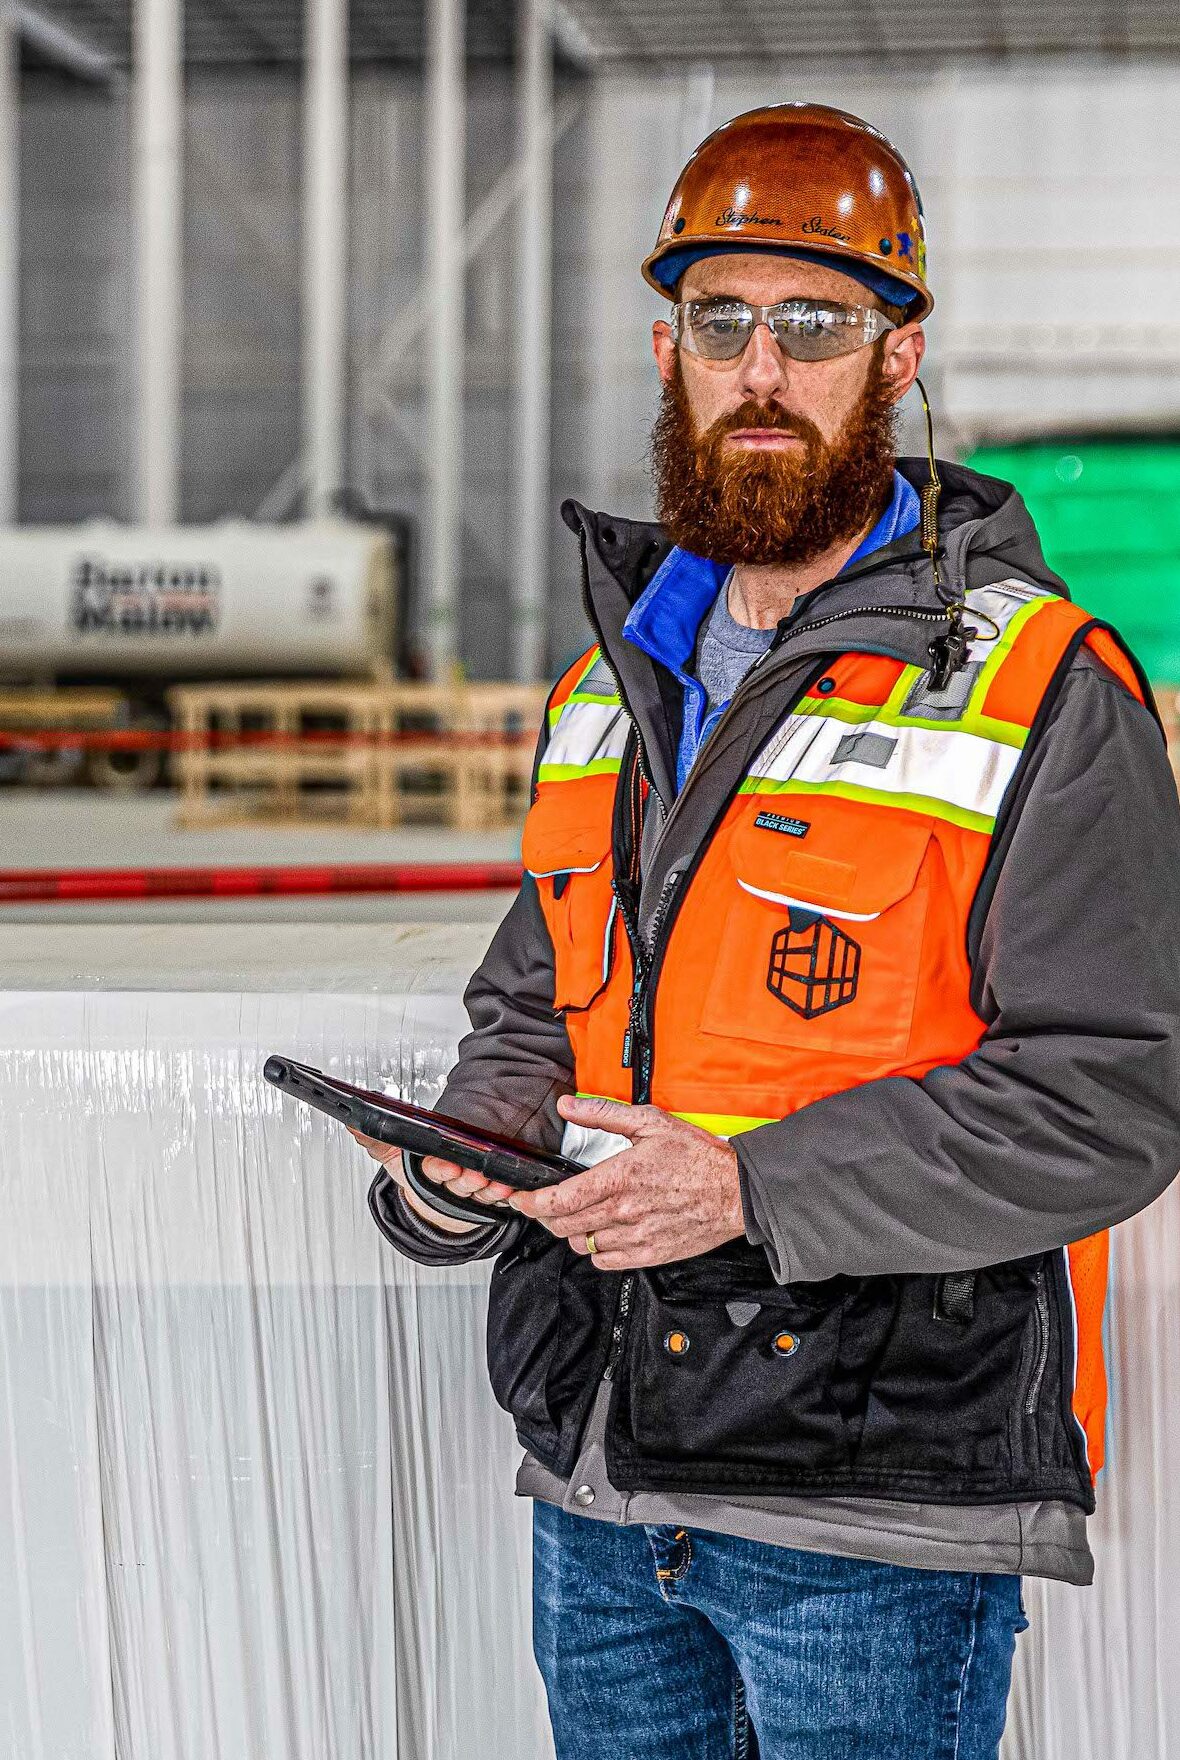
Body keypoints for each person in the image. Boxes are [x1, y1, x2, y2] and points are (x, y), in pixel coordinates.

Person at [351, 104, 1180, 1758]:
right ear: (668, 349)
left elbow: (1111, 1097)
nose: (761, 369)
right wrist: (471, 1151)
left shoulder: (1039, 692)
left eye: (814, 325)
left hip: (867, 1514)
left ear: (896, 356)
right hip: (597, 1480)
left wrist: (744, 1186)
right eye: (722, 322)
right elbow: (536, 1005)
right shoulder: (612, 683)